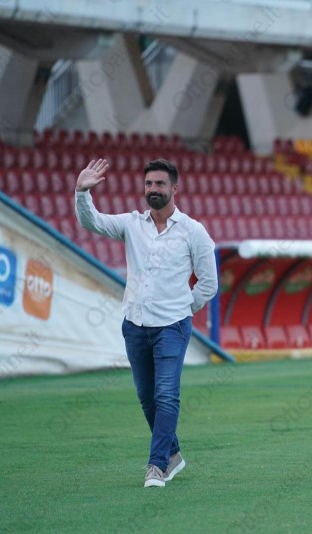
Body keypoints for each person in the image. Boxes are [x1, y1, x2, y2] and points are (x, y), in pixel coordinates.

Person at [75, 158, 218, 488]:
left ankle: (157, 466)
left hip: (172, 327)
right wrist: (82, 192)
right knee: (147, 397)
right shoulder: (131, 224)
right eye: (149, 184)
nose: (153, 189)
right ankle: (174, 454)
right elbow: (92, 222)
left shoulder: (193, 231)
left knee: (166, 394)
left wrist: (183, 308)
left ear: (174, 189)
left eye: (160, 184)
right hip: (135, 325)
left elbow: (209, 282)